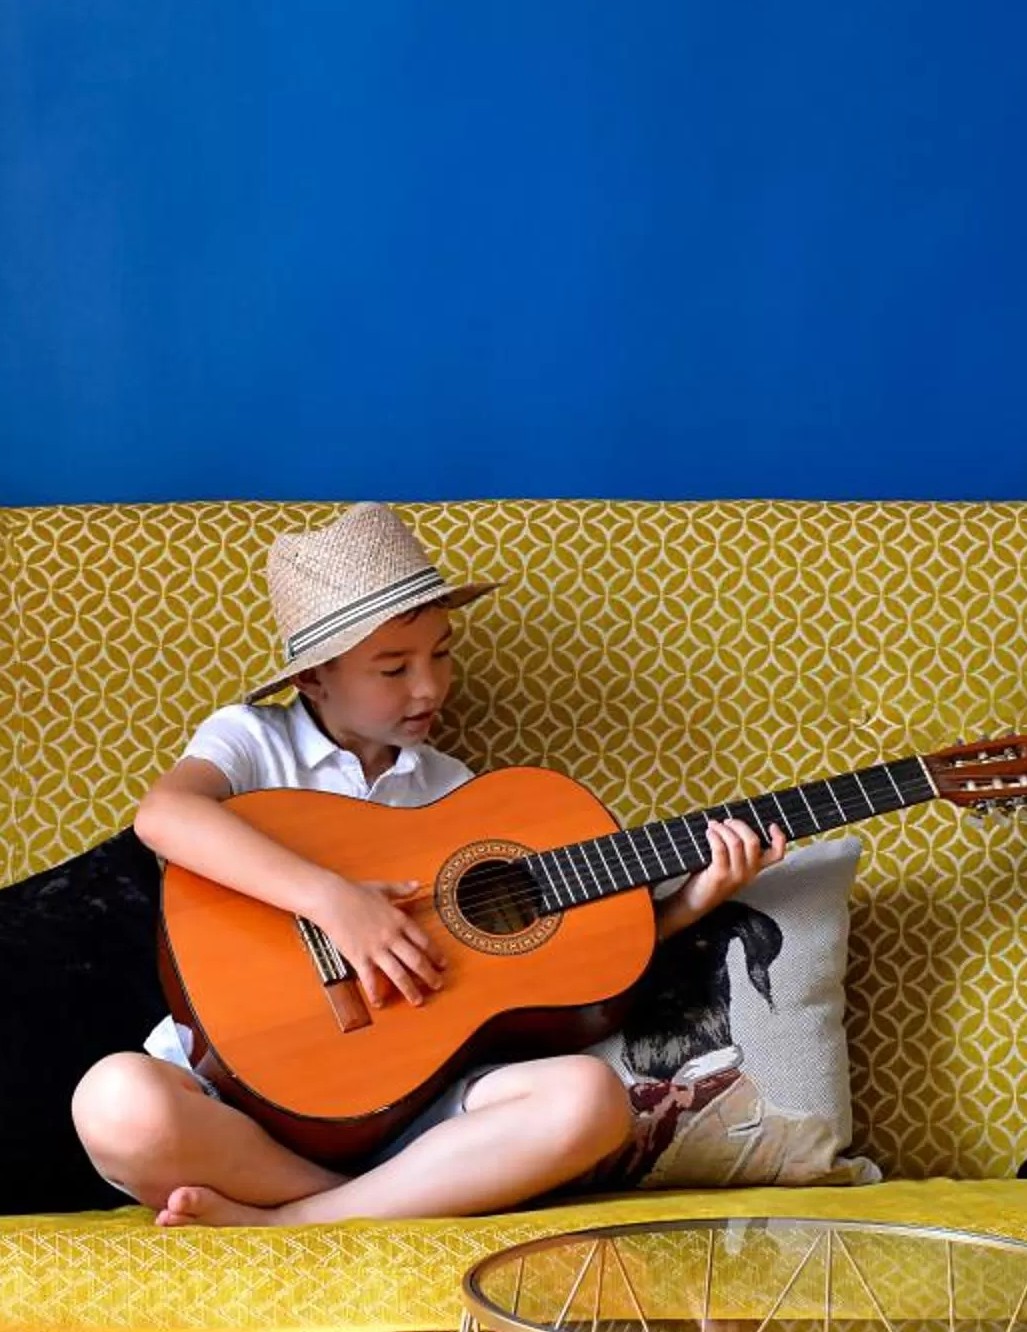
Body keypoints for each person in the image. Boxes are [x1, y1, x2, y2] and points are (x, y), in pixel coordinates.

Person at [71, 501, 785, 1228]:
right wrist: (335, 903)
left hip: (415, 1104)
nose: (430, 688)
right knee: (115, 1102)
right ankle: (381, 1194)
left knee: (592, 1101)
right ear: (314, 677)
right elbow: (163, 817)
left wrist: (688, 905)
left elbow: (556, 970)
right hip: (241, 1100)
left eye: (441, 653)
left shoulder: (455, 794)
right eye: (393, 668)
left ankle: (300, 1221)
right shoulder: (254, 741)